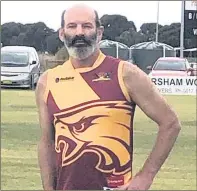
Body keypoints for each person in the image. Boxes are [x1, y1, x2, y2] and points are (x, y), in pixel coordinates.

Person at [35, 3, 181, 190]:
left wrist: (145, 177)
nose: (80, 32)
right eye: (72, 26)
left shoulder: (125, 73)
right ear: (62, 33)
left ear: (99, 32)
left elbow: (170, 123)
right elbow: (47, 142)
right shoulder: (47, 82)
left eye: (87, 26)